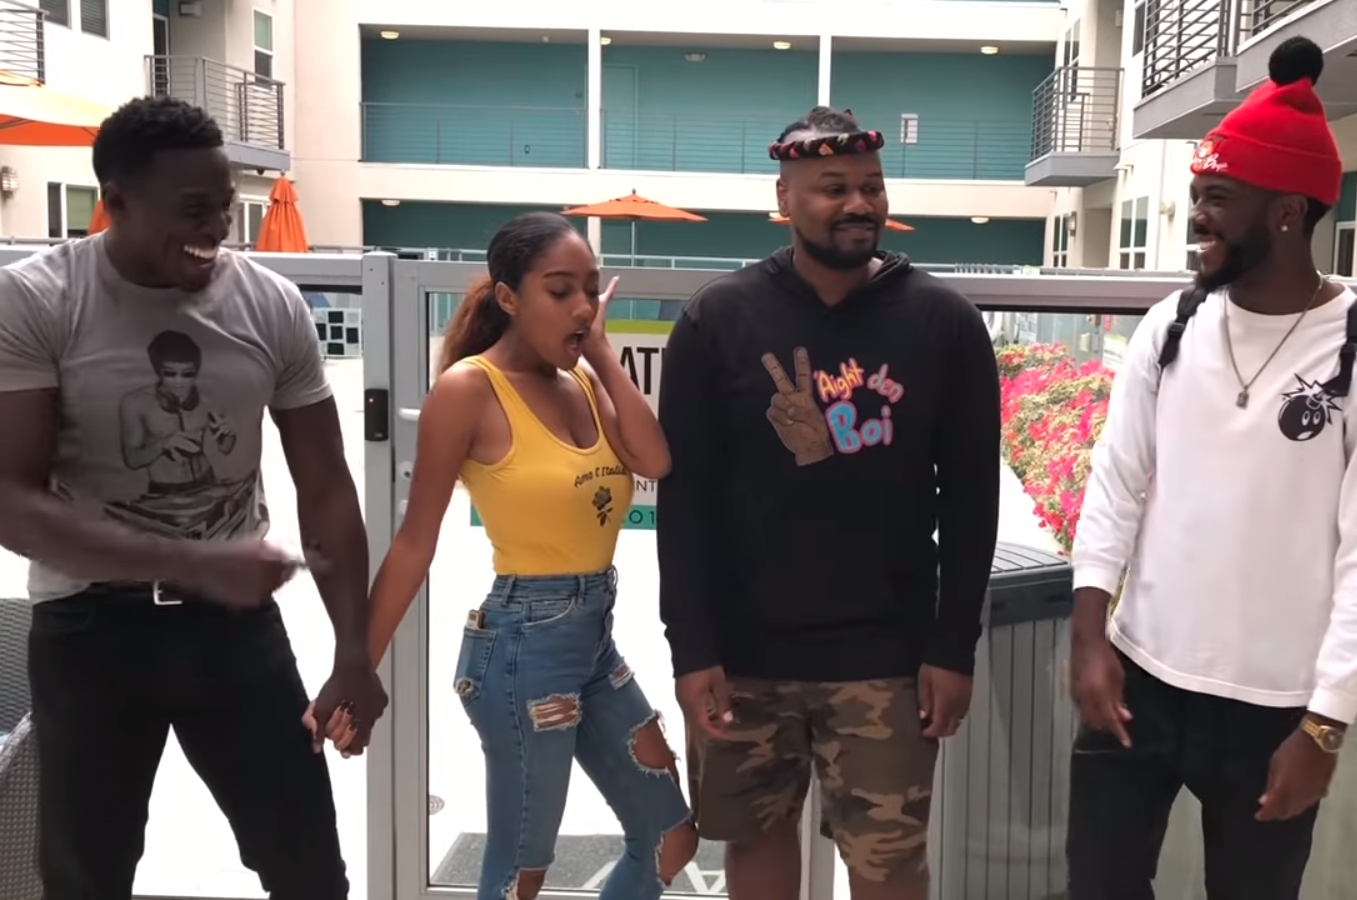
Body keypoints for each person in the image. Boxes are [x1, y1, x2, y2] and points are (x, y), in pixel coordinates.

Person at [1064, 37, 1357, 899]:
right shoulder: (1171, 326)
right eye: (1197, 196)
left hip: (1275, 707)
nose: (1198, 217)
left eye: (1218, 199)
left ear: (1288, 213)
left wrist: (1326, 726)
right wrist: (1089, 638)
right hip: (1138, 678)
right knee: (1097, 887)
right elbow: (1116, 484)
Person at [0, 96, 386, 900]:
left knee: (310, 872)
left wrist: (354, 651)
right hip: (89, 630)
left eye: (224, 207)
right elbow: (13, 504)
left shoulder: (269, 304)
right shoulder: (38, 300)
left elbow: (324, 482)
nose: (216, 229)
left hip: (234, 630)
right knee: (84, 880)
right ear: (116, 201)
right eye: (192, 210)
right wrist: (197, 562)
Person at [655, 106, 1002, 899]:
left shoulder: (943, 323)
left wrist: (954, 647)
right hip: (744, 654)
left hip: (889, 657)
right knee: (755, 849)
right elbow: (687, 499)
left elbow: (972, 497)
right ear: (784, 197)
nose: (858, 204)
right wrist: (692, 647)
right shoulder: (719, 318)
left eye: (871, 187)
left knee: (888, 866)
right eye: (833, 187)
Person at [319, 212, 697, 900]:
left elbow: (655, 459)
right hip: (523, 648)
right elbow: (414, 543)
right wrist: (355, 668)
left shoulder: (582, 382)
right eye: (560, 290)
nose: (581, 306)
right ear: (508, 298)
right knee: (521, 872)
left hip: (594, 642)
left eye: (590, 290)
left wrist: (602, 355)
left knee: (670, 835)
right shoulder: (468, 390)